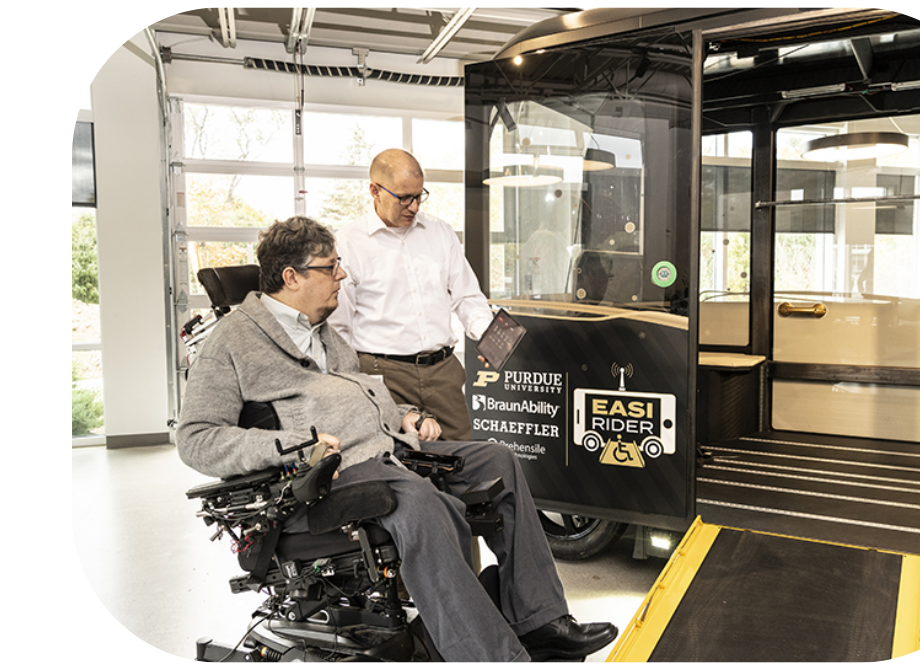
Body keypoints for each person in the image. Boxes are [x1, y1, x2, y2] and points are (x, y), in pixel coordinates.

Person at [176, 216, 617, 662]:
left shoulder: (321, 329)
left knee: (496, 460)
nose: (341, 275)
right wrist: (291, 446)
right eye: (330, 267)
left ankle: (540, 619)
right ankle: (491, 656)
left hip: (387, 449)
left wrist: (406, 415)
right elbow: (195, 438)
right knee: (423, 503)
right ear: (292, 277)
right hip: (326, 479)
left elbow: (357, 391)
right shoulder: (233, 340)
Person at [328, 148, 490, 441]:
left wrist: (488, 335)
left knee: (465, 460)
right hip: (383, 374)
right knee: (397, 463)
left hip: (443, 373)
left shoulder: (440, 233)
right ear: (374, 190)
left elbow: (467, 296)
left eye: (419, 195)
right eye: (404, 197)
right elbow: (339, 329)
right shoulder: (348, 243)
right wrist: (353, 385)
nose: (414, 207)